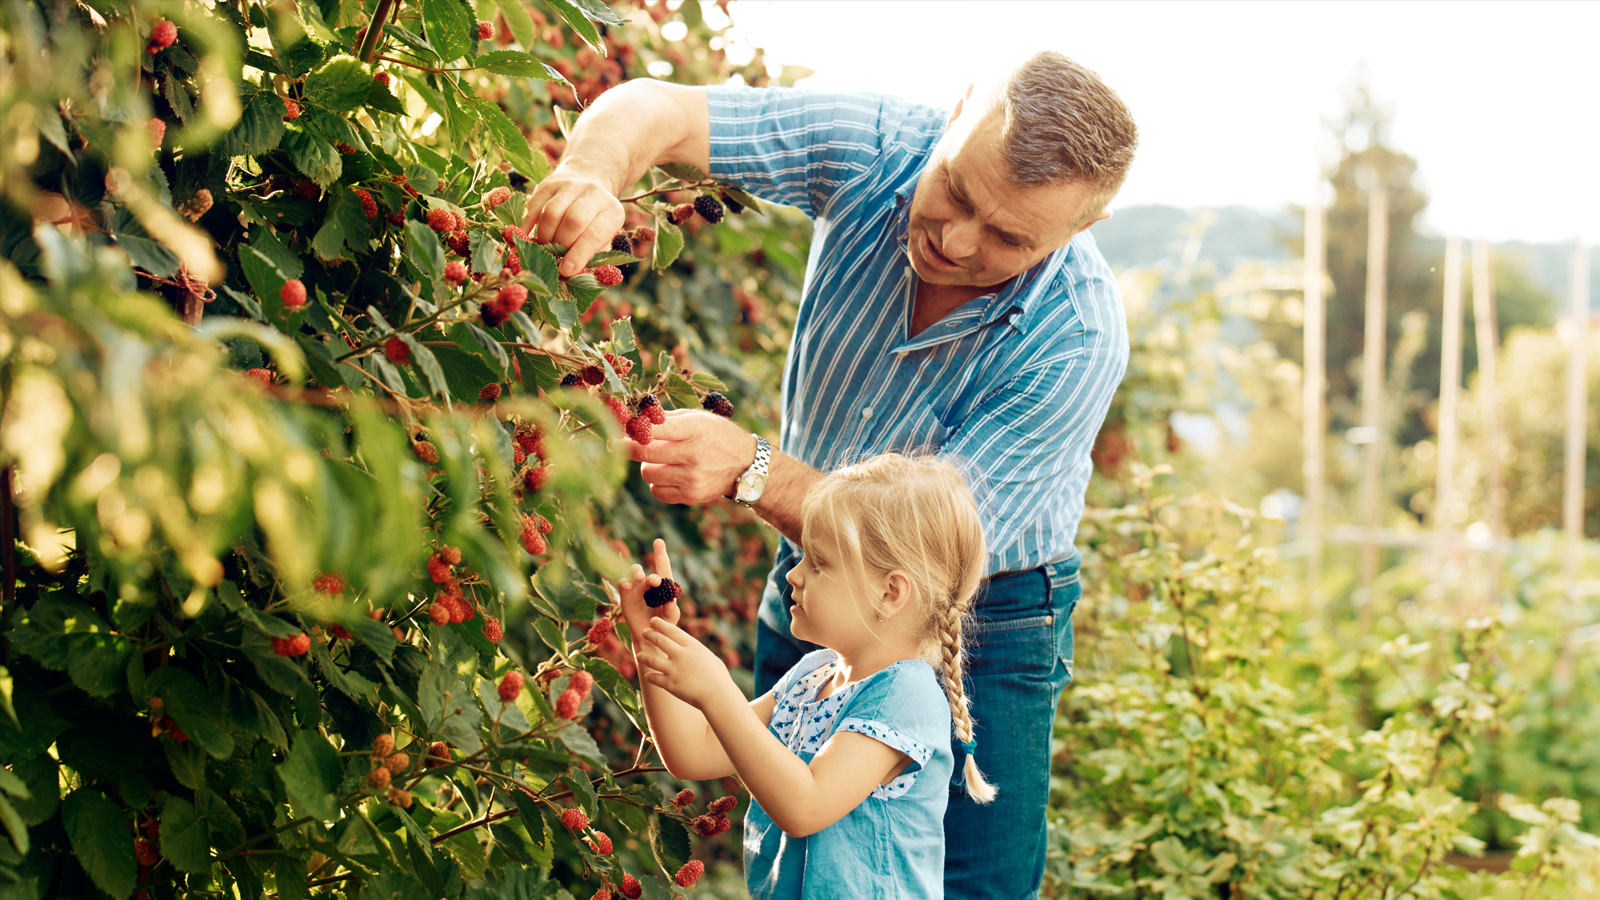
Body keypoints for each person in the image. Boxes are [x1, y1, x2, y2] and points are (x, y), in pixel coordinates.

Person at [526, 51, 1136, 898]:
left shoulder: (1074, 339)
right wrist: (592, 174)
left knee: (980, 880)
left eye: (1008, 238)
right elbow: (658, 108)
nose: (956, 241)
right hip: (818, 558)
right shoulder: (876, 144)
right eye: (957, 191)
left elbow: (920, 548)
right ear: (954, 112)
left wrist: (753, 470)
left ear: (1079, 232)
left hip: (987, 604)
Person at [620, 454, 991, 900]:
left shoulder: (904, 697)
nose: (793, 575)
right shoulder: (812, 677)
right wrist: (651, 640)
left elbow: (806, 805)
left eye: (818, 563)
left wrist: (717, 692)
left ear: (889, 593)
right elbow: (692, 752)